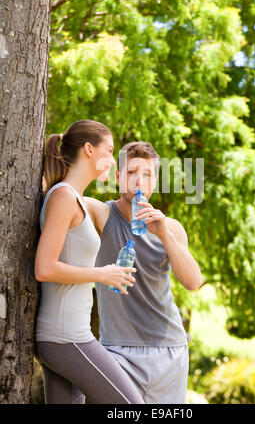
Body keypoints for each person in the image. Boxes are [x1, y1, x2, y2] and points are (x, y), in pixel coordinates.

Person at [34, 120, 144, 404]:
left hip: (67, 336)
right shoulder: (63, 196)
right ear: (88, 150)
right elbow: (44, 268)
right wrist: (101, 274)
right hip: (67, 337)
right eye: (108, 150)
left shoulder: (77, 199)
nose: (112, 159)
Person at [84, 141, 202, 404]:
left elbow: (193, 282)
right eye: (131, 173)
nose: (139, 181)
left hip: (169, 351)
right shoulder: (102, 214)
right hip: (117, 353)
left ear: (155, 181)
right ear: (117, 177)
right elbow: (66, 196)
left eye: (147, 174)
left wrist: (164, 235)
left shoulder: (171, 227)